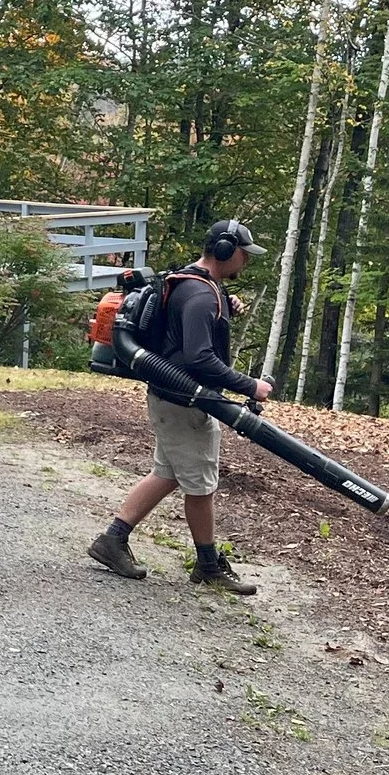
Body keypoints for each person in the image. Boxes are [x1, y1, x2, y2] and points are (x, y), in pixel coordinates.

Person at [88, 220, 271, 594]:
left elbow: (184, 326)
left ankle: (112, 540)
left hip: (168, 395)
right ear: (225, 251)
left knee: (168, 473)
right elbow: (200, 358)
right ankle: (208, 565)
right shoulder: (203, 296)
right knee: (201, 486)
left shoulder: (190, 282)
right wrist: (250, 385)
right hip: (186, 402)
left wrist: (225, 304)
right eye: (243, 255)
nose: (245, 263)